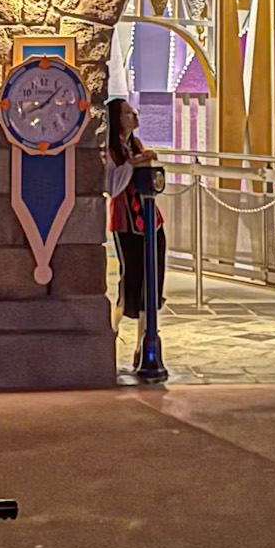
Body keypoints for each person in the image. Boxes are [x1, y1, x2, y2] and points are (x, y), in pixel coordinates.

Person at [105, 97, 166, 370]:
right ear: (117, 119)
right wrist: (133, 163)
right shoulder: (110, 150)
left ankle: (144, 342)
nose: (134, 116)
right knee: (129, 279)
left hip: (150, 222)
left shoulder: (136, 144)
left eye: (134, 112)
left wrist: (142, 159)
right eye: (128, 113)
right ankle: (111, 334)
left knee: (151, 282)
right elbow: (112, 185)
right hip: (127, 222)